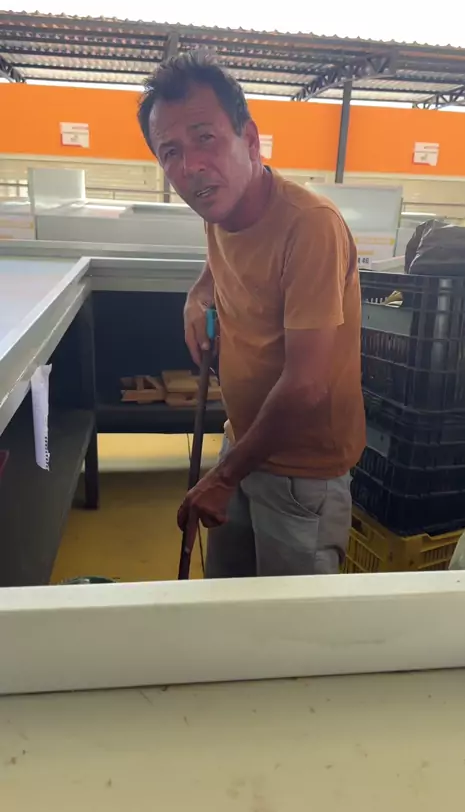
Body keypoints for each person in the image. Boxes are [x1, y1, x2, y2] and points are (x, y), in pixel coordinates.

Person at [138, 52, 365, 577]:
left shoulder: (310, 226)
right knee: (228, 598)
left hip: (302, 471)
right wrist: (197, 295)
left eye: (205, 138)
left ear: (250, 139)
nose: (190, 165)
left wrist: (222, 477)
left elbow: (306, 385)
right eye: (170, 151)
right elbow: (220, 261)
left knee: (288, 621)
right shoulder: (219, 207)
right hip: (242, 442)